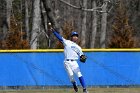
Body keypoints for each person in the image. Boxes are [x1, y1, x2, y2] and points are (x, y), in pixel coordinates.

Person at [49, 24, 88, 93]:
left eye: (76, 36)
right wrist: (53, 31)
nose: (75, 37)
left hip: (74, 63)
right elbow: (59, 37)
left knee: (79, 74)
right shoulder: (67, 42)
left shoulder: (79, 48)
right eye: (74, 36)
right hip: (67, 62)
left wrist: (83, 58)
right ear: (71, 37)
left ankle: (84, 89)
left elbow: (82, 56)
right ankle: (74, 84)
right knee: (71, 77)